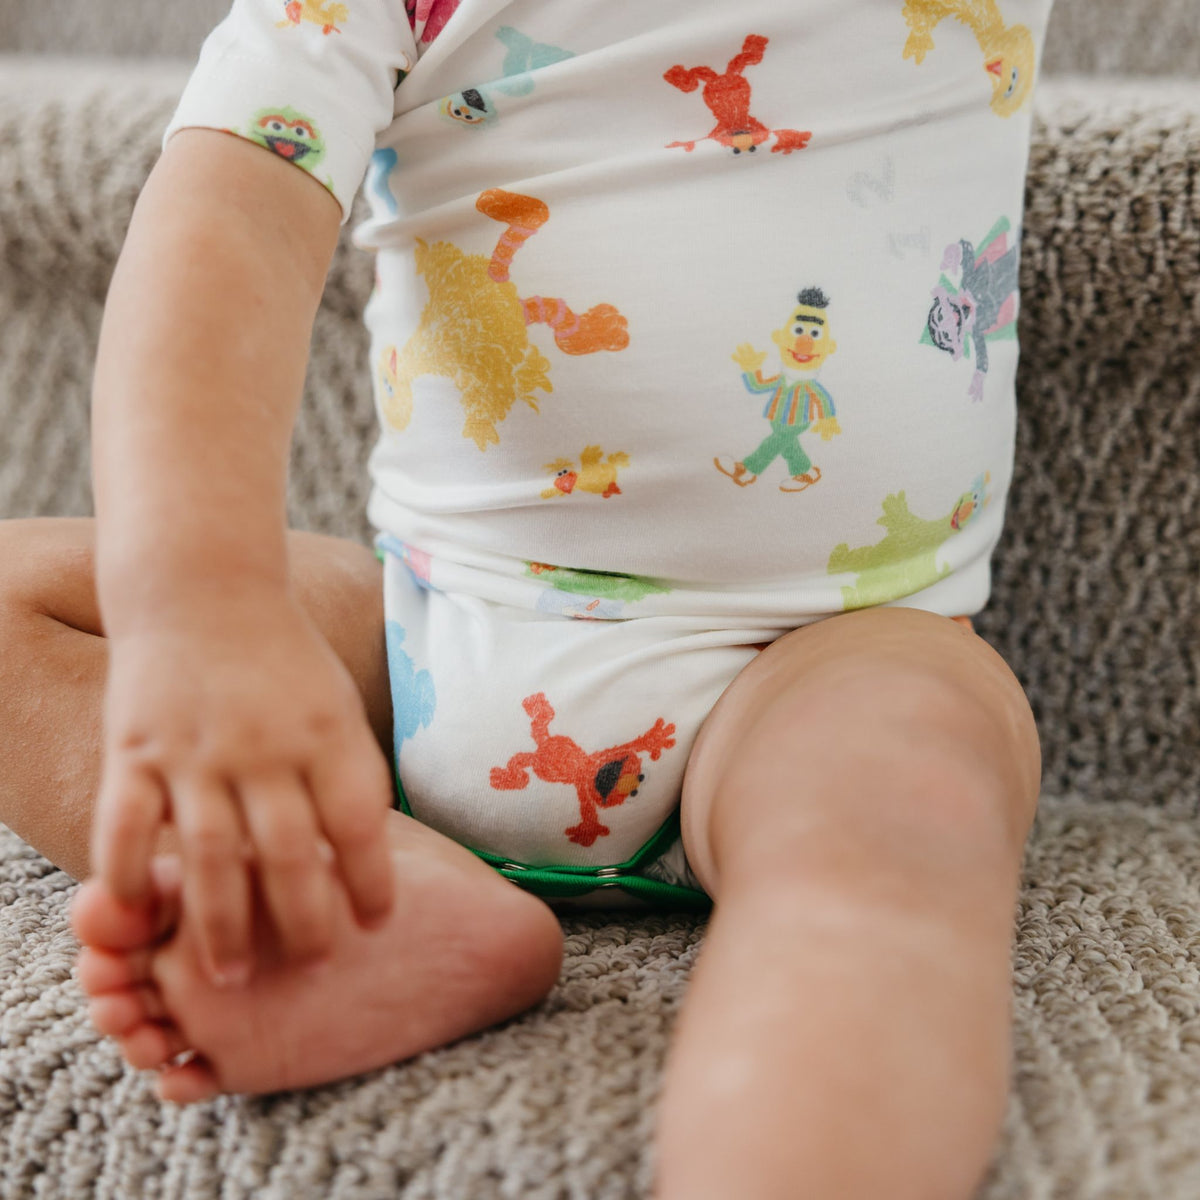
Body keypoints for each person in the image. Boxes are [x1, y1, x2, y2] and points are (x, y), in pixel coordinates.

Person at [0, 2, 1052, 1196]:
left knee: (906, 810)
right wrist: (207, 613)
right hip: (427, 637)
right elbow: (232, 218)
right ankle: (360, 884)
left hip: (822, 658)